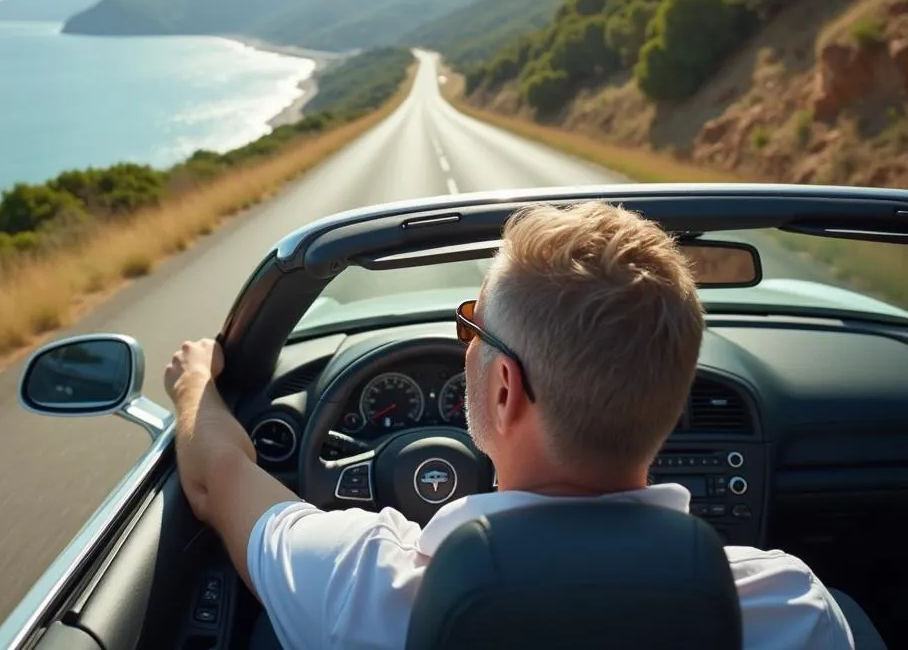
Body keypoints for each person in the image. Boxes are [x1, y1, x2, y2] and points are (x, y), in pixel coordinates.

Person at [164, 202, 854, 650]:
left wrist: (196, 382)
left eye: (474, 328)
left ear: (503, 388)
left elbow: (214, 476)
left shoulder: (359, 583)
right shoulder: (794, 610)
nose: (469, 344)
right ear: (675, 403)